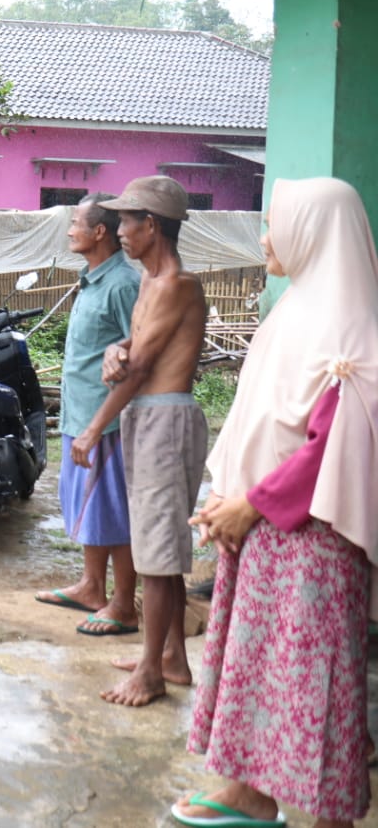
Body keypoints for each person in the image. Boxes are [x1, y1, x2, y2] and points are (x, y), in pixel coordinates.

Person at [170, 177, 378, 828]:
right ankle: (252, 791)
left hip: (313, 539)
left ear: (314, 232)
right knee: (260, 664)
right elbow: (262, 421)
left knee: (314, 677)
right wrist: (228, 501)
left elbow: (328, 450)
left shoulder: (350, 330)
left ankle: (328, 814)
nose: (265, 239)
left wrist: (250, 506)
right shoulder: (296, 311)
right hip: (263, 528)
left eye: (275, 225)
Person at [70, 175, 208, 707]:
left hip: (164, 420)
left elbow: (144, 365)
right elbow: (138, 347)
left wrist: (91, 426)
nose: (118, 230)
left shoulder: (176, 283)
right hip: (148, 418)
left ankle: (150, 671)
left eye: (127, 221)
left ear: (151, 226)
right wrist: (117, 347)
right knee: (160, 549)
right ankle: (170, 655)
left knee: (155, 553)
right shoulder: (151, 282)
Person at [35, 194, 141, 636]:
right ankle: (91, 586)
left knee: (113, 510)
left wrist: (100, 424)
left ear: (100, 232)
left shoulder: (122, 284)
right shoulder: (92, 278)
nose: (69, 229)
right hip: (79, 414)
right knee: (90, 506)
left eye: (76, 222)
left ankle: (122, 603)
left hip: (106, 421)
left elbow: (140, 350)